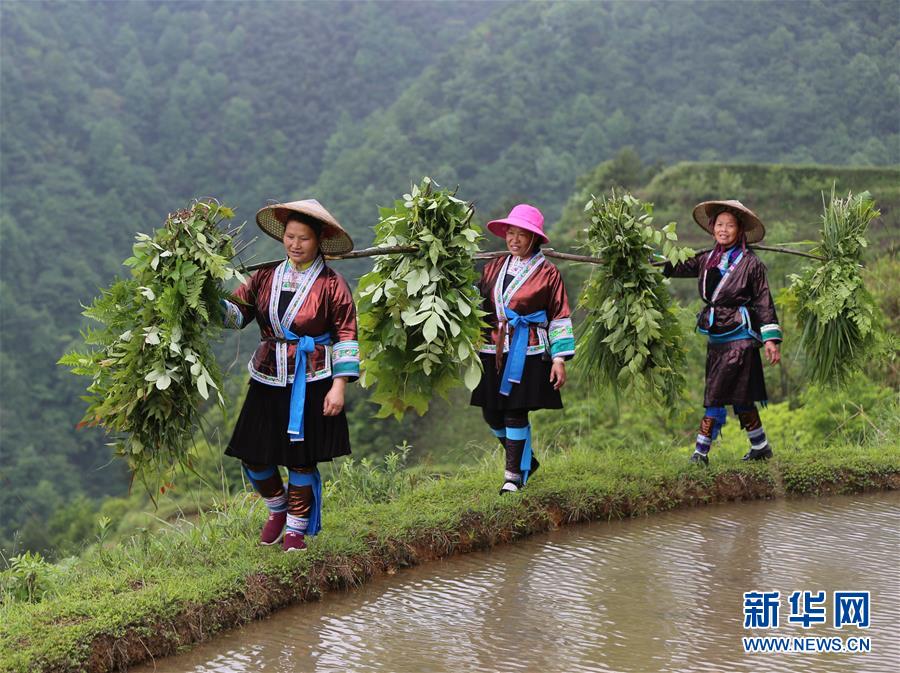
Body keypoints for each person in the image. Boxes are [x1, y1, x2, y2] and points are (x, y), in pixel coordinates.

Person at [221, 199, 359, 551]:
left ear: (319, 241)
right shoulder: (265, 277)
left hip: (313, 378)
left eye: (304, 239)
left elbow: (346, 334)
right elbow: (236, 316)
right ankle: (277, 509)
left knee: (301, 458)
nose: (295, 245)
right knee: (253, 453)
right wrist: (206, 297)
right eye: (290, 237)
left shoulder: (332, 284)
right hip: (268, 374)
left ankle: (296, 529)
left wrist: (339, 387)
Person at [664, 200, 782, 465]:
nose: (724, 230)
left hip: (740, 336)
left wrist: (771, 339)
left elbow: (764, 301)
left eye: (730, 225)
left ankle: (700, 453)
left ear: (740, 230)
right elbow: (676, 265)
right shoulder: (707, 258)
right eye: (720, 225)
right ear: (712, 228)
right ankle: (761, 447)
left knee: (716, 394)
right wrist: (644, 261)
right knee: (740, 396)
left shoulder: (751, 264)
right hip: (717, 335)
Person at [470, 204, 575, 493]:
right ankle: (526, 458)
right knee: (491, 413)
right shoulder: (493, 267)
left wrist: (559, 358)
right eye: (510, 233)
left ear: (535, 238)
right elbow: (478, 304)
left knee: (515, 410)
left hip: (527, 348)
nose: (514, 239)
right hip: (493, 346)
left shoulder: (548, 273)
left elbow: (559, 314)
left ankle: (512, 477)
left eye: (521, 234)